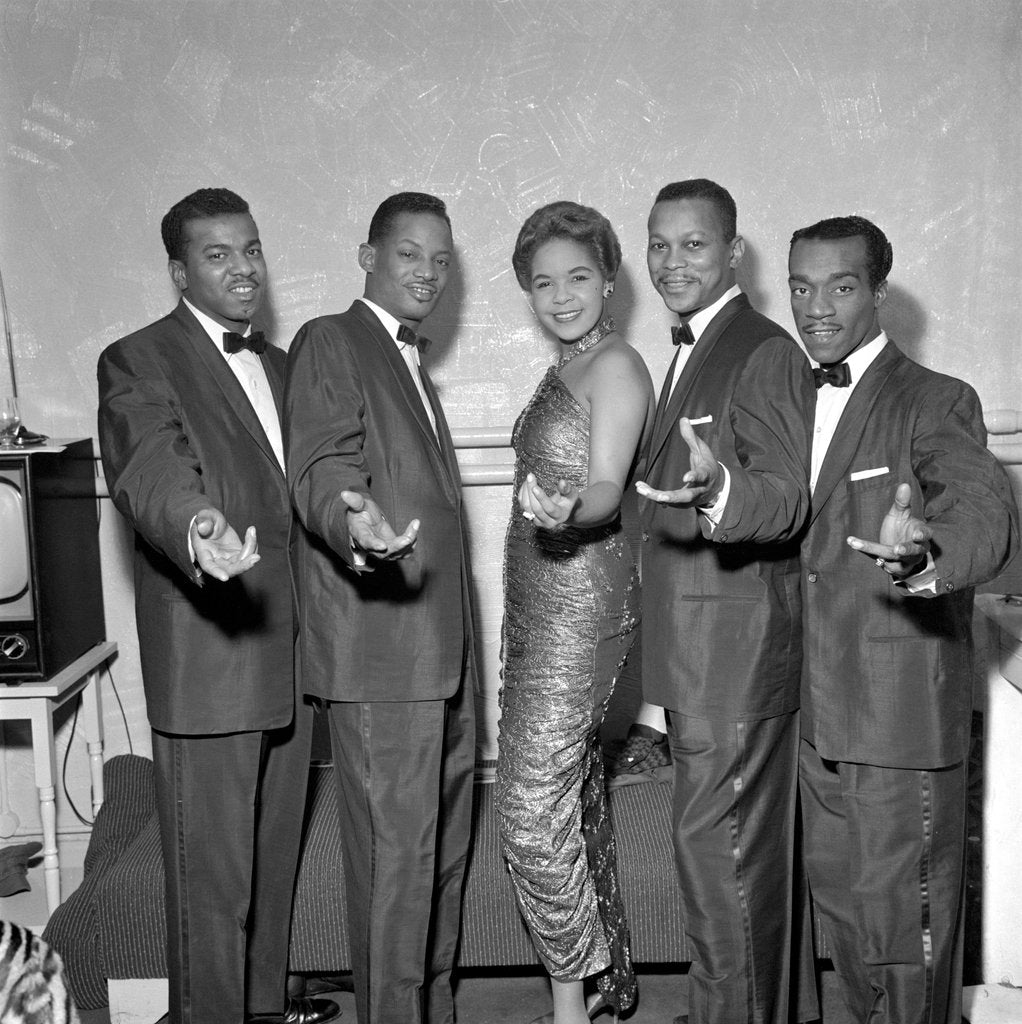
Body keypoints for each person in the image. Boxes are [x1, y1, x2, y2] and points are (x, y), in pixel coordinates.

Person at [97, 188, 333, 1024]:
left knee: (271, 864)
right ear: (178, 271)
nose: (243, 269)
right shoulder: (138, 360)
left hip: (292, 650)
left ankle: (263, 1007)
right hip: (210, 659)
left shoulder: (280, 364)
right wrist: (198, 526)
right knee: (211, 884)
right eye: (218, 255)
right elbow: (149, 468)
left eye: (252, 250)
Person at [788, 215, 1018, 1023]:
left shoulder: (935, 399)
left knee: (909, 947)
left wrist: (925, 554)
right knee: (850, 933)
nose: (817, 307)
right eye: (802, 286)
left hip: (899, 716)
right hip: (816, 719)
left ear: (879, 292)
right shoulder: (788, 396)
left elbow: (984, 510)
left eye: (842, 286)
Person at [284, 192, 476, 1024]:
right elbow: (324, 463)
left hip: (440, 653)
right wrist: (348, 518)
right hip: (381, 650)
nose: (428, 273)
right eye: (409, 254)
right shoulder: (333, 338)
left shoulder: (410, 361)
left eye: (441, 260)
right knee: (397, 865)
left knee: (439, 861)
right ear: (368, 257)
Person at [634, 179, 816, 1024]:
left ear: (733, 252)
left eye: (693, 244)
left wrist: (720, 492)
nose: (673, 262)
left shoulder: (763, 349)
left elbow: (783, 498)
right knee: (728, 868)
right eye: (660, 245)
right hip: (700, 655)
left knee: (723, 867)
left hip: (735, 659)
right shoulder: (693, 347)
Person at [495, 202, 654, 1024]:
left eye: (579, 277)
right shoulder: (565, 367)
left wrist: (569, 512)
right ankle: (587, 989)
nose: (560, 296)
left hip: (581, 612)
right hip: (534, 611)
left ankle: (572, 999)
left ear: (609, 278)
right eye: (543, 282)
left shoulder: (618, 366)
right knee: (555, 804)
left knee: (527, 808)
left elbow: (604, 487)